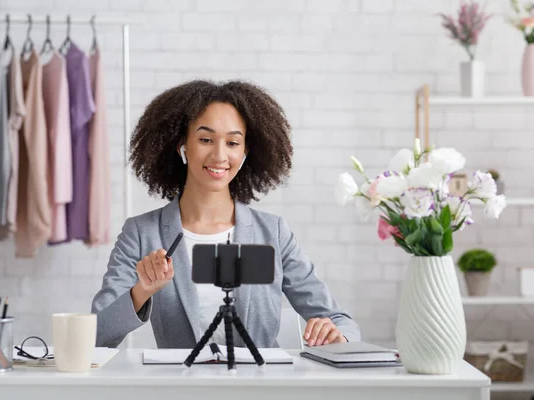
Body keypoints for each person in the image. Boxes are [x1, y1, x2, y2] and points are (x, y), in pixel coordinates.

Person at [91, 80, 360, 349]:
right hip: (182, 389)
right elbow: (96, 335)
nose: (220, 155)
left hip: (259, 389)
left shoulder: (272, 233)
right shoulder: (142, 233)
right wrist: (142, 291)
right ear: (181, 145)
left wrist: (336, 334)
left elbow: (341, 321)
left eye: (232, 142)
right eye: (206, 139)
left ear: (245, 152)